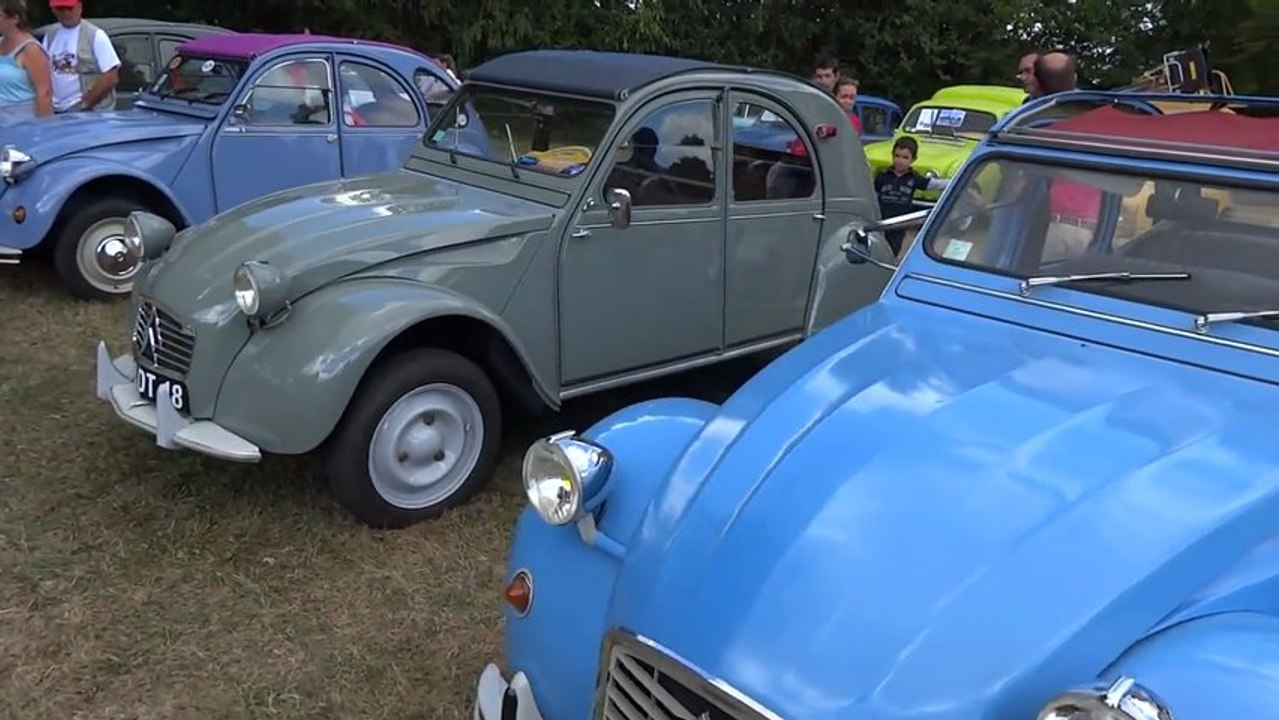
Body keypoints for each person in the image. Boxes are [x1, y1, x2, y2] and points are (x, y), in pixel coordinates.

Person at [874, 136, 950, 256]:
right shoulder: (882, 175)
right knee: (876, 247)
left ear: (913, 159)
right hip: (881, 220)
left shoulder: (914, 178)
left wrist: (961, 181)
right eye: (897, 156)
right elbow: (873, 194)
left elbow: (935, 184)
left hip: (900, 223)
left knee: (893, 250)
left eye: (905, 157)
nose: (900, 160)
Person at [41, 0, 119, 113]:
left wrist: (85, 104)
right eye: (60, 9)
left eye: (69, 8)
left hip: (90, 112)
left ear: (80, 7)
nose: (65, 13)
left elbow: (111, 76)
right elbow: (43, 72)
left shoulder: (95, 35)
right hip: (56, 110)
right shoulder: (50, 35)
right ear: (53, 10)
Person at [0, 0, 52, 120]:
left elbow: (44, 92)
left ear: (14, 19)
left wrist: (44, 129)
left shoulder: (31, 49)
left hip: (24, 123)